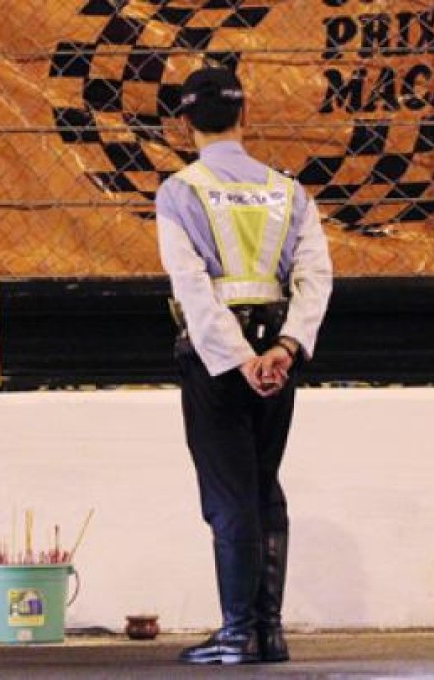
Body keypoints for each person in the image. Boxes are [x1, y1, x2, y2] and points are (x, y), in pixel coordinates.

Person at [156, 66, 333, 665]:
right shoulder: (289, 191)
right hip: (278, 359)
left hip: (218, 362)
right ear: (245, 117)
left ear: (184, 123)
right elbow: (315, 279)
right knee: (263, 487)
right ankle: (267, 631)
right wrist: (284, 349)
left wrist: (239, 359)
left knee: (229, 494)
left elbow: (194, 287)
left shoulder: (181, 191)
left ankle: (236, 633)